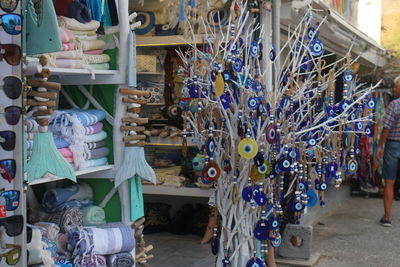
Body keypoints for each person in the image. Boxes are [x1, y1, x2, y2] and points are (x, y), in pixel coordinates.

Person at [377, 75, 400, 227]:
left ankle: (387, 217)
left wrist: (380, 145)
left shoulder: (394, 105)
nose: (393, 88)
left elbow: (387, 127)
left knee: (389, 181)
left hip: (393, 145)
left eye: (396, 86)